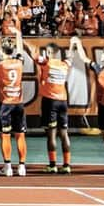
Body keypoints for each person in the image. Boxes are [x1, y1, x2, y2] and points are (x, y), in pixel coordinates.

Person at [0, 32, 29, 177]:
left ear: (1, 49)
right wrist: (18, 35)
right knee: (20, 135)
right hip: (18, 102)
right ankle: (22, 166)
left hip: (5, 104)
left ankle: (8, 166)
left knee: (5, 135)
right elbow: (21, 51)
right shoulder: (19, 61)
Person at [36, 37, 82, 174]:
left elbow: (33, 55)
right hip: (63, 101)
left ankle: (52, 164)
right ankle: (67, 165)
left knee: (51, 134)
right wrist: (73, 44)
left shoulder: (46, 63)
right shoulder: (64, 64)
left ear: (48, 52)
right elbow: (71, 56)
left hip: (50, 101)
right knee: (64, 133)